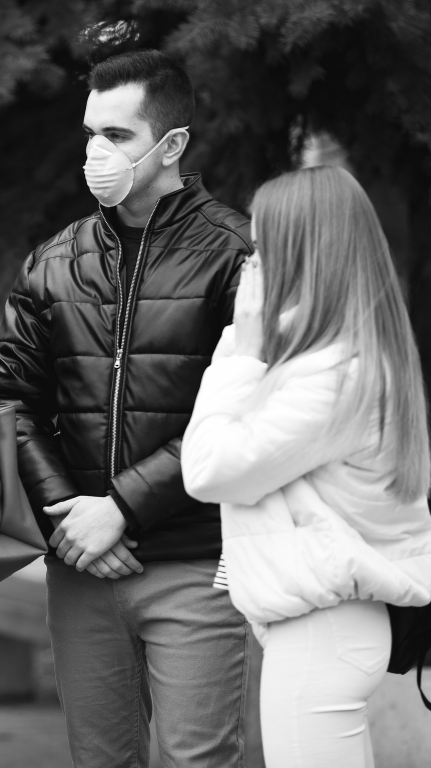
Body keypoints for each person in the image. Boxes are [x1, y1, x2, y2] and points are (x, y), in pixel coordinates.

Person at [0, 50, 254, 766]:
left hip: (195, 562)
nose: (97, 153)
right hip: (82, 568)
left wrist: (121, 509)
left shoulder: (238, 253)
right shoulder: (54, 260)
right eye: (90, 134)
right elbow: (10, 402)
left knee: (197, 759)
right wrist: (71, 515)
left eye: (119, 136)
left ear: (173, 147)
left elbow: (250, 415)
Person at [182, 165, 431, 768]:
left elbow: (209, 468)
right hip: (321, 629)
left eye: (264, 248)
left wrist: (241, 351)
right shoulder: (332, 360)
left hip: (324, 633)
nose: (250, 265)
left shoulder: (335, 375)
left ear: (303, 253)